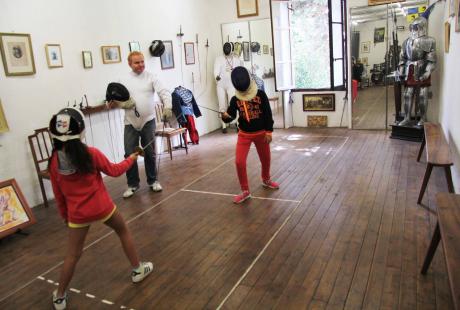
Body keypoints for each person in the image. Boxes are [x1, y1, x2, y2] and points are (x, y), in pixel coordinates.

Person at [48, 108, 153, 310]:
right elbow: (114, 171)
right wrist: (132, 158)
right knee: (123, 231)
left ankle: (60, 295)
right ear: (80, 130)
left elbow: (58, 194)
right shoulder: (91, 154)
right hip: (102, 208)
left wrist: (65, 217)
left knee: (72, 254)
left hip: (77, 215)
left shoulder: (54, 162)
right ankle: (137, 269)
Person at [221, 66, 279, 204]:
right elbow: (231, 116)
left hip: (261, 133)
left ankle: (266, 180)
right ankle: (245, 191)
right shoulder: (235, 99)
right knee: (239, 162)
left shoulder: (260, 95)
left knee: (265, 159)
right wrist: (225, 117)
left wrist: (269, 132)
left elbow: (268, 114)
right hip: (244, 135)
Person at [120, 51, 173, 198]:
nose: (141, 65)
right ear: (129, 64)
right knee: (129, 154)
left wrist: (168, 106)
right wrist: (122, 104)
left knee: (150, 152)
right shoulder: (123, 79)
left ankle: (153, 181)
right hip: (130, 122)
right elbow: (112, 100)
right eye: (137, 62)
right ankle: (132, 184)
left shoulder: (151, 77)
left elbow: (164, 92)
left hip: (148, 120)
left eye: (142, 61)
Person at [397, 15, 436, 127]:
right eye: (412, 27)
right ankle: (407, 117)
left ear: (422, 27)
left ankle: (423, 118)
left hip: (422, 67)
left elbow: (432, 60)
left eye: (416, 27)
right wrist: (401, 70)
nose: (414, 30)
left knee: (423, 94)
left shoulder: (430, 40)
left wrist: (427, 72)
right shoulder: (406, 42)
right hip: (410, 68)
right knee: (407, 94)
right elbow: (402, 58)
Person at [214, 42, 243, 133]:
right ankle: (224, 125)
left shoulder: (236, 59)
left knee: (233, 104)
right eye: (225, 47)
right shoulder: (219, 59)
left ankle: (237, 123)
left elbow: (240, 70)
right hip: (221, 85)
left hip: (231, 84)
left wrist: (239, 82)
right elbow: (215, 70)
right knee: (222, 104)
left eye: (228, 47)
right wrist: (216, 76)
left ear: (232, 49)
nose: (226, 49)